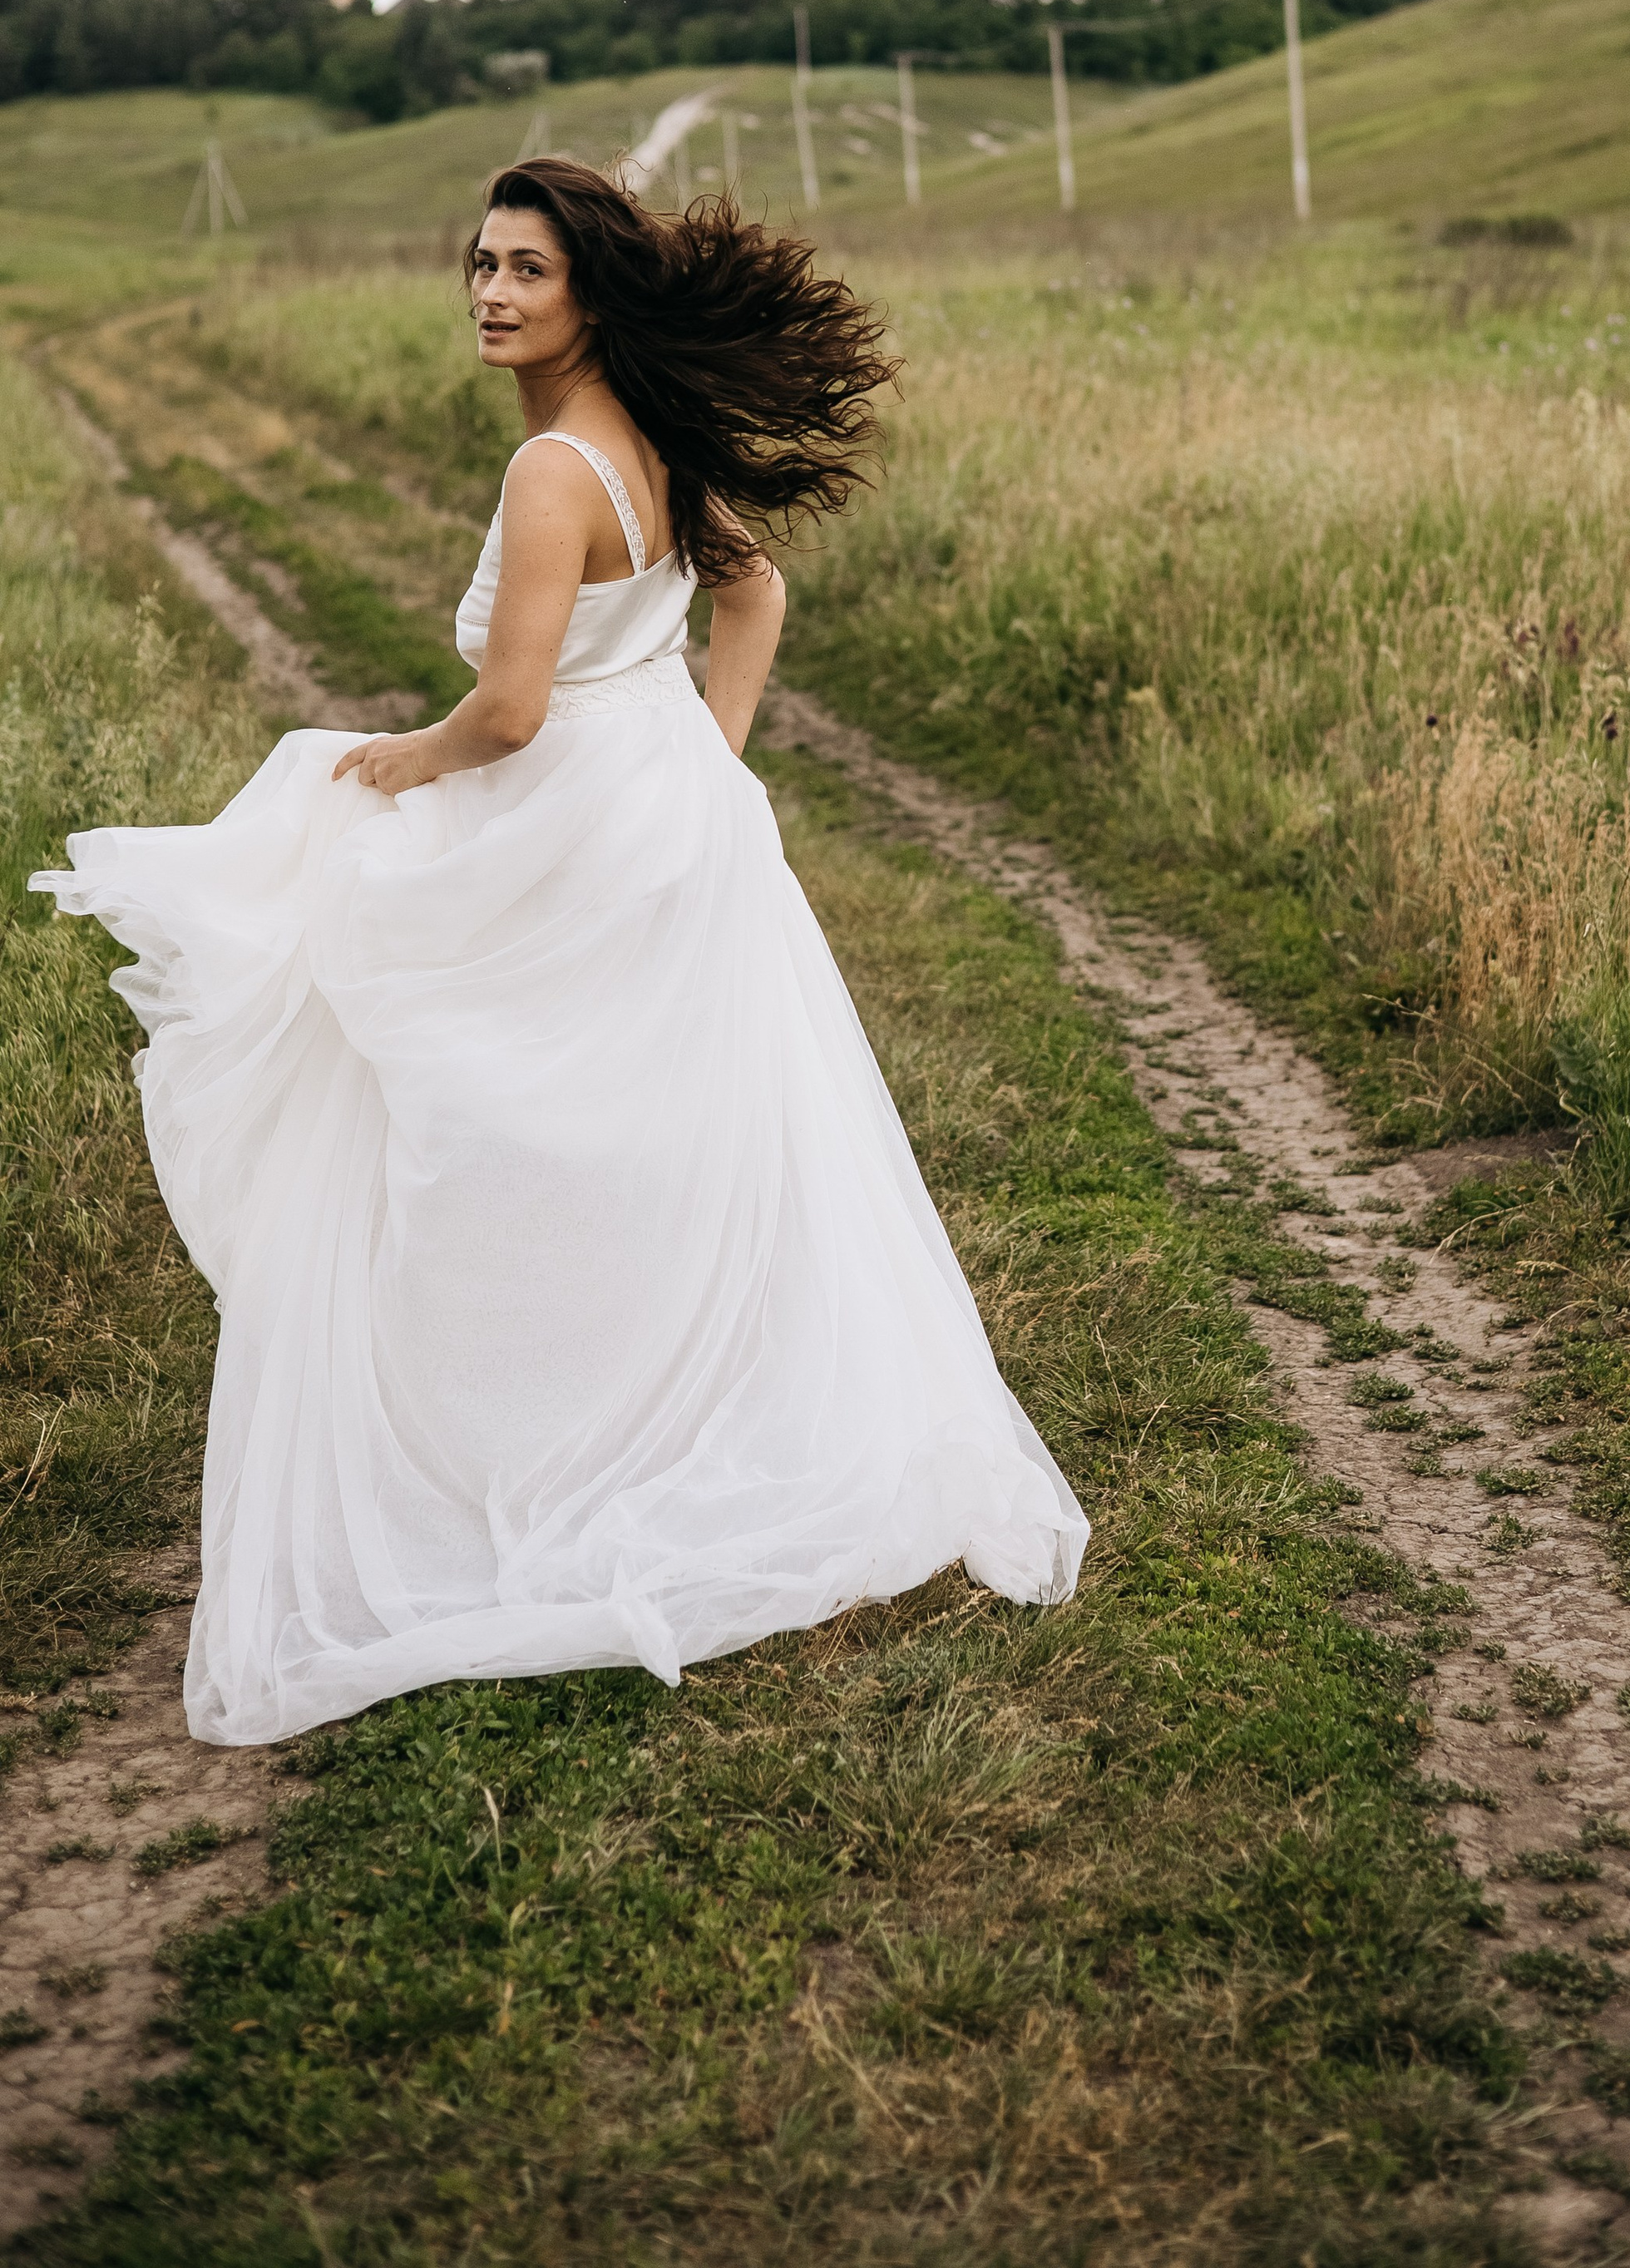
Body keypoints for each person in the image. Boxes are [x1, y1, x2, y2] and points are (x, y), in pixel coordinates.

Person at [32, 158, 1086, 1747]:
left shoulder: (551, 474)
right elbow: (751, 594)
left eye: (526, 268)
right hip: (655, 816)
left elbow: (516, 709)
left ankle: (500, 1434)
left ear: (588, 291)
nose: (491, 292)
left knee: (400, 983)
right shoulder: (641, 441)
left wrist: (408, 754)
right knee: (644, 1130)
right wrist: (708, 770)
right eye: (479, 263)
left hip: (585, 812)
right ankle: (636, 1415)